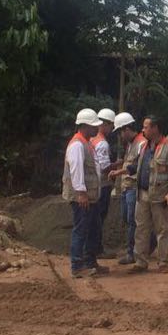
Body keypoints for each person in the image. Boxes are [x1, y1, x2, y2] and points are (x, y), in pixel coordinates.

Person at [128, 116, 168, 274]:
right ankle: (140, 262)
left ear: (155, 128)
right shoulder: (144, 146)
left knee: (162, 229)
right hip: (143, 194)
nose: (142, 130)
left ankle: (162, 262)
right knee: (141, 228)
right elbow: (137, 166)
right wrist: (121, 170)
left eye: (145, 127)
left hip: (160, 196)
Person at [62, 108, 106, 278]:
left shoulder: (86, 143)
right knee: (81, 229)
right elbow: (76, 170)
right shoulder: (77, 145)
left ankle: (90, 261)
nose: (96, 129)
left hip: (91, 196)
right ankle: (77, 265)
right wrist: (81, 193)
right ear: (85, 126)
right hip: (82, 197)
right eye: (93, 126)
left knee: (93, 228)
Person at [108, 112, 144, 265]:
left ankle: (132, 252)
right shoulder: (130, 144)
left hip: (134, 187)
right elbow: (129, 161)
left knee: (132, 221)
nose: (120, 136)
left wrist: (118, 171)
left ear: (126, 129)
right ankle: (145, 244)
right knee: (127, 218)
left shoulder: (141, 143)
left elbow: (138, 166)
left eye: (121, 132)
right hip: (126, 187)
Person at [91, 108, 118, 259]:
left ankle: (93, 248)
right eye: (111, 125)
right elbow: (104, 167)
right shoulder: (102, 144)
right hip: (103, 185)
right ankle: (97, 249)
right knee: (99, 218)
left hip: (95, 185)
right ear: (105, 124)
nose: (112, 129)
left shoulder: (91, 140)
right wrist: (117, 164)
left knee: (95, 218)